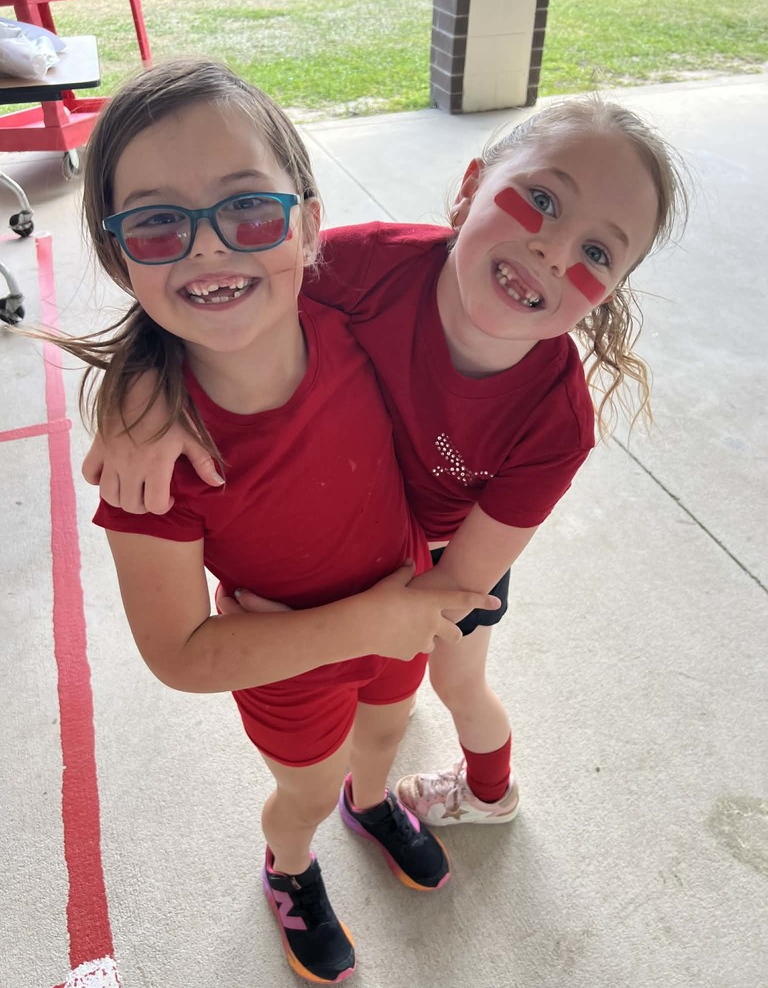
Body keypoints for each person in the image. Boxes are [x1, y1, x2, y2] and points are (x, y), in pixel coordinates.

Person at [83, 94, 688, 831]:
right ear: (469, 190)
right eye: (541, 199)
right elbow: (227, 292)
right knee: (388, 701)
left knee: (457, 680)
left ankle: (490, 794)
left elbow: (452, 587)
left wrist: (357, 632)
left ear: (611, 291)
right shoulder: (358, 267)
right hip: (360, 527)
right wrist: (136, 385)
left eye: (599, 252)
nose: (555, 251)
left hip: (445, 553)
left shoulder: (555, 421)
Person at [39, 59, 500, 986]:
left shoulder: (359, 316)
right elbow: (180, 653)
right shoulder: (156, 457)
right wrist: (136, 383)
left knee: (384, 733)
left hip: (400, 614)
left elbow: (488, 276)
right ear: (117, 251)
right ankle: (291, 867)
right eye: (159, 221)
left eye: (248, 208)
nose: (209, 248)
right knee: (300, 789)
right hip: (285, 659)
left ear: (310, 223)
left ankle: (372, 806)